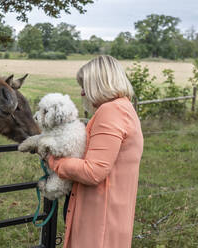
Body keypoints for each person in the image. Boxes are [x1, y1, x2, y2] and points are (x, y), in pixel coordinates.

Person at [47, 55, 143, 248]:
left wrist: (54, 160)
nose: (82, 93)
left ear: (99, 84)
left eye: (85, 86)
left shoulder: (110, 112)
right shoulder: (125, 108)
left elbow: (93, 171)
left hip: (99, 217)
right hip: (112, 212)